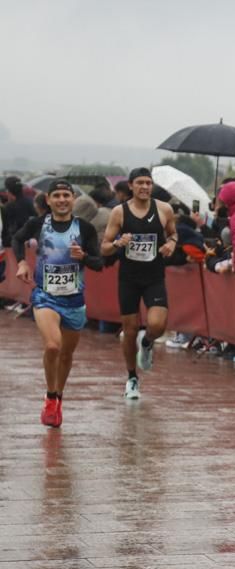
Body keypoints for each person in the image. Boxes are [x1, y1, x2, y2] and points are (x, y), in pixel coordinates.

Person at [12, 180, 104, 427]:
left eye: (66, 195)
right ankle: (50, 396)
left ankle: (57, 398)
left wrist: (83, 256)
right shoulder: (38, 224)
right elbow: (17, 239)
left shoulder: (84, 228)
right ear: (49, 200)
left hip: (74, 301)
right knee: (53, 346)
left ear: (73, 199)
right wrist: (22, 262)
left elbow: (99, 263)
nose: (62, 200)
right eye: (57, 196)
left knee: (65, 355)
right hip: (46, 296)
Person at [101, 168, 178, 399]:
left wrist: (171, 244)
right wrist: (118, 243)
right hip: (129, 279)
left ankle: (147, 343)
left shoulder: (164, 209)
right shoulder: (119, 212)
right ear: (131, 186)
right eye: (140, 183)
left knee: (157, 325)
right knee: (130, 330)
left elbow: (173, 235)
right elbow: (104, 247)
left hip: (154, 276)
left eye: (148, 183)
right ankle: (132, 378)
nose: (144, 187)